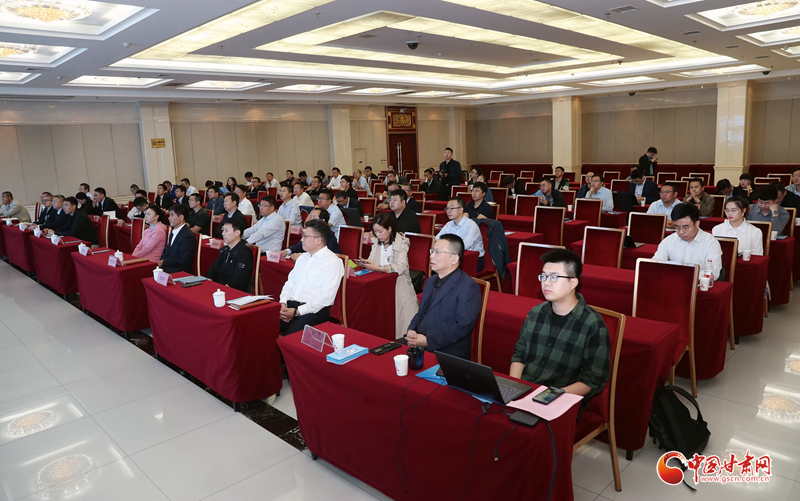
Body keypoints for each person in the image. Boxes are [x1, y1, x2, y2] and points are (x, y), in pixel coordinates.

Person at [509, 248, 610, 400]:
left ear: (573, 282)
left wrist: (548, 396)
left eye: (554, 277)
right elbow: (519, 355)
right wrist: (514, 387)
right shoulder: (536, 313)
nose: (546, 282)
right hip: (527, 390)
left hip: (562, 398)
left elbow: (593, 380)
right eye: (543, 276)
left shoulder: (593, 325)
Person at [404, 234, 481, 359]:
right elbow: (421, 312)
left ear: (454, 259)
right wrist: (412, 329)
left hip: (447, 351)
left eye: (437, 252)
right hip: (421, 341)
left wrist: (429, 341)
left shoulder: (468, 286)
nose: (431, 256)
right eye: (432, 251)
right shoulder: (431, 281)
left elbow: (462, 327)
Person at [356, 213, 419, 339]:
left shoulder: (402, 243)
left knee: (402, 325)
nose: (377, 235)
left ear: (389, 229)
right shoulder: (377, 242)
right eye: (375, 232)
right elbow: (372, 260)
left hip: (398, 285)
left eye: (380, 231)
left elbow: (400, 268)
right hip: (380, 284)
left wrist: (378, 268)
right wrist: (366, 263)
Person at [279, 219, 345, 334]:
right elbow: (289, 283)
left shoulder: (333, 262)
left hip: (314, 311)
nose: (301, 239)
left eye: (305, 236)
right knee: (263, 324)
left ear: (318, 240)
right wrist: (283, 303)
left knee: (290, 336)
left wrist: (296, 312)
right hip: (291, 305)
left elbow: (326, 297)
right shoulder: (302, 258)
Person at [653, 203, 722, 279]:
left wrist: (682, 275)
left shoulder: (711, 243)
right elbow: (655, 265)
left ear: (697, 224)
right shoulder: (669, 241)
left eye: (686, 227)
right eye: (677, 227)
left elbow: (713, 273)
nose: (681, 232)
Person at [437, 196, 485, 271]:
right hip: (454, 256)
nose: (448, 211)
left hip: (474, 259)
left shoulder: (472, 226)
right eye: (447, 208)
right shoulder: (449, 224)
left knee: (445, 266)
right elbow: (437, 239)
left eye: (452, 208)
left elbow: (464, 245)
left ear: (461, 210)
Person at [206, 218, 254, 292]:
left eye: (226, 230)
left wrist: (221, 290)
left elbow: (237, 280)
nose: (223, 233)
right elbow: (212, 271)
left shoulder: (244, 253)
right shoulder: (224, 250)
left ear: (237, 233)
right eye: (223, 230)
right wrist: (209, 281)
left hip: (233, 292)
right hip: (219, 289)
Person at [158, 204, 196, 274]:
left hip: (179, 271)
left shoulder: (187, 236)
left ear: (181, 217)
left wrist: (163, 262)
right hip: (168, 267)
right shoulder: (173, 232)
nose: (169, 218)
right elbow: (167, 251)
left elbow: (183, 260)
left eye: (172, 215)